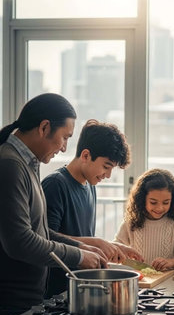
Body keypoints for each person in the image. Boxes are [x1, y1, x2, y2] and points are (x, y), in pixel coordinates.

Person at [0, 93, 108, 315]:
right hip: (9, 306)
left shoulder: (27, 163)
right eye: (64, 137)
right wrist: (78, 256)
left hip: (23, 303)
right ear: (44, 127)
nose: (64, 148)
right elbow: (20, 241)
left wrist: (82, 246)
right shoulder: (10, 165)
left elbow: (38, 231)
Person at [42, 119, 143, 297]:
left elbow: (80, 239)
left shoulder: (90, 186)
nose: (108, 175)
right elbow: (46, 238)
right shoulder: (55, 185)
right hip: (57, 291)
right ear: (86, 155)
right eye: (106, 167)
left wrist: (110, 246)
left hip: (81, 287)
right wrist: (97, 243)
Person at [114, 168, 174, 271]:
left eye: (166, 202)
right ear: (142, 199)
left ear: (173, 200)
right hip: (140, 282)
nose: (159, 208)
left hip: (168, 283)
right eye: (153, 202)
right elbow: (116, 248)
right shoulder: (130, 222)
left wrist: (171, 262)